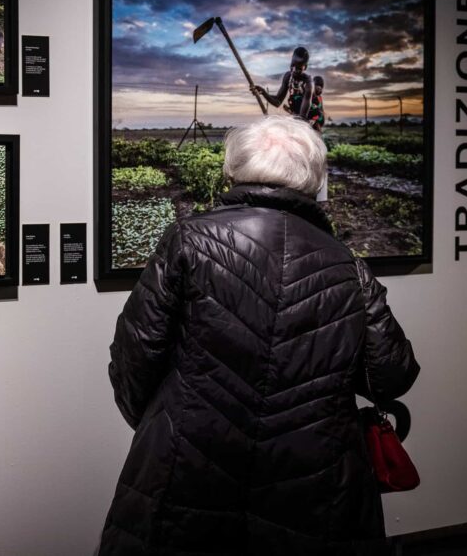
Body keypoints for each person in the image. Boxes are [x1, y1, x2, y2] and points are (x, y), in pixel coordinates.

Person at [98, 115, 419, 555]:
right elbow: (393, 374)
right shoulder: (348, 264)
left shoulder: (189, 241)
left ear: (233, 171)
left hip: (187, 474)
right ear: (314, 182)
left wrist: (171, 426)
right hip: (315, 485)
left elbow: (134, 360)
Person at [253, 46, 313, 119]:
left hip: (306, 122)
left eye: (298, 68)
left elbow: (302, 117)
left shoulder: (308, 84)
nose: (294, 70)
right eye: (292, 65)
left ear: (305, 67)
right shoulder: (288, 76)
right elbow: (277, 102)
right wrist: (263, 92)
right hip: (295, 119)